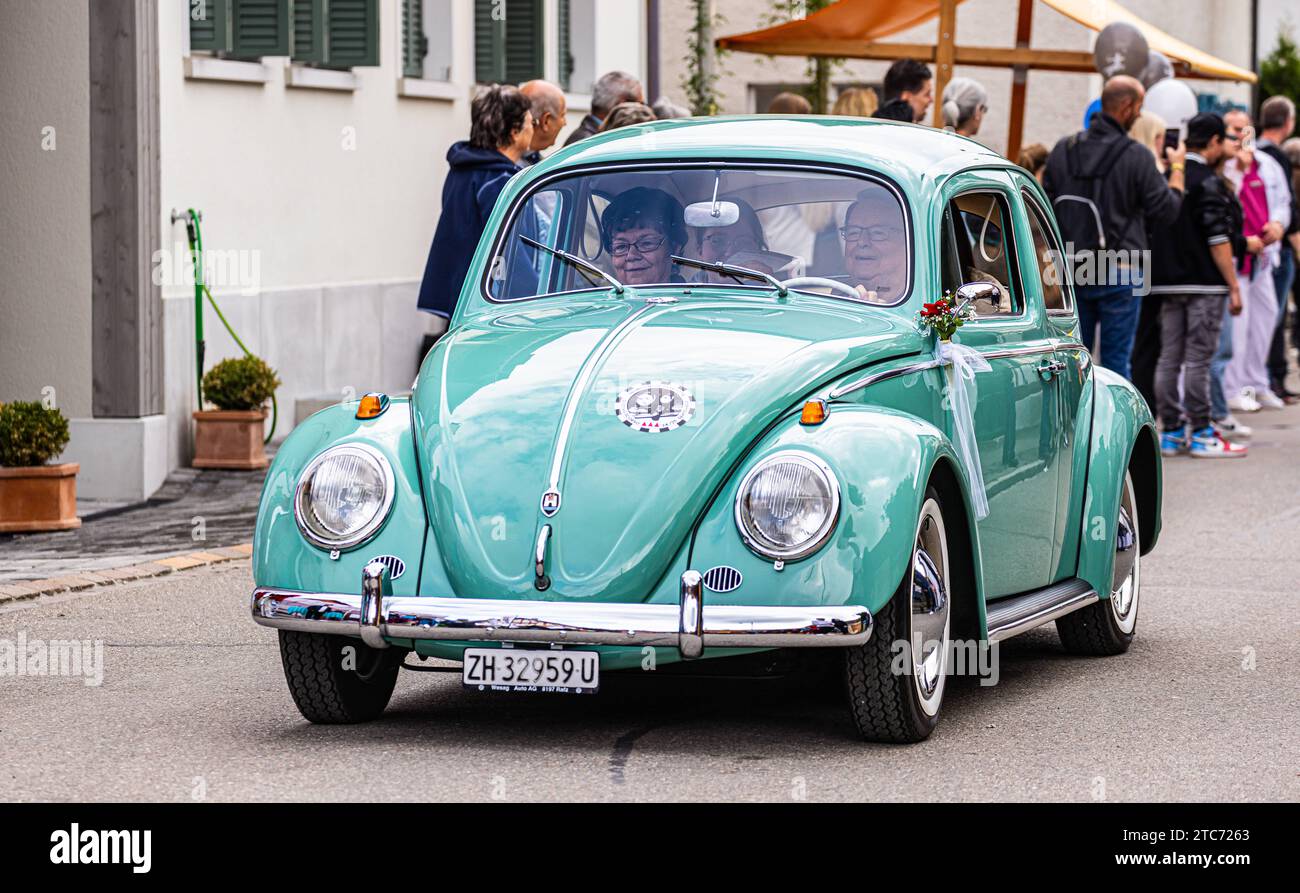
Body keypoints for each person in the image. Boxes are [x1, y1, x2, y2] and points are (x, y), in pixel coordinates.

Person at [1042, 74, 1185, 380]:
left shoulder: (1063, 150)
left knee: (1072, 360)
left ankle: (1072, 424)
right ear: (1127, 107)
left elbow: (1045, 207)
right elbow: (1167, 210)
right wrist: (1177, 171)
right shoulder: (1138, 156)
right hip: (1123, 266)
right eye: (1139, 107)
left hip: (1068, 264)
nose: (1139, 115)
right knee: (1116, 363)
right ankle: (1113, 425)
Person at [1147, 113, 1247, 458]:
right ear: (1215, 142)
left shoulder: (1169, 177)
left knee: (1170, 357)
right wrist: (1233, 285)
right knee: (1198, 359)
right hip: (1203, 282)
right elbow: (1218, 239)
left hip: (1165, 282)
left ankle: (1172, 431)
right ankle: (1202, 430)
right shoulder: (1208, 181)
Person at [416, 85, 533, 348]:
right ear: (514, 132)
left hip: (463, 292)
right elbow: (509, 247)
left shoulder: (465, 171)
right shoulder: (497, 181)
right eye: (529, 122)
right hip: (492, 304)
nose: (533, 128)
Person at [1221, 107, 1292, 413]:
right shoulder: (1224, 167)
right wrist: (1238, 168)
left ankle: (1256, 382)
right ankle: (1233, 387)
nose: (1239, 135)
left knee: (1266, 318)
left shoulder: (1268, 165)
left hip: (1265, 254)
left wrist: (1278, 224)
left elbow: (1283, 202)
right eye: (1233, 129)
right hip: (1238, 256)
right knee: (1239, 323)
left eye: (1243, 128)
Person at [1256, 96, 1300, 403]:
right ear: (1287, 122)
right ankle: (1272, 379)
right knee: (1272, 313)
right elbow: (1288, 209)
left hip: (1262, 245)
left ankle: (1269, 378)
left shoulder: (1256, 153)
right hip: (1276, 247)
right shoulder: (1275, 158)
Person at [601, 187, 687, 286]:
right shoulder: (598, 300)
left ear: (674, 248)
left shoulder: (697, 301)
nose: (631, 256)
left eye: (646, 243)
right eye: (621, 247)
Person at [840, 189, 906, 302]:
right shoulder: (832, 299)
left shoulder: (928, 305)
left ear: (906, 240)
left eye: (878, 232)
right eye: (853, 232)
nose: (862, 242)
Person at [564, 71, 643, 146]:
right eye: (641, 104)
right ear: (622, 106)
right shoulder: (592, 144)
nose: (643, 109)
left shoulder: (591, 138)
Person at [519, 80, 567, 165]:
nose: (565, 123)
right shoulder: (515, 171)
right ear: (545, 121)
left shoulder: (532, 159)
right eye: (562, 115)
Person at [875, 59, 932, 124]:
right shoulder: (901, 131)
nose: (931, 100)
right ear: (905, 97)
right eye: (927, 94)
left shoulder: (872, 125)